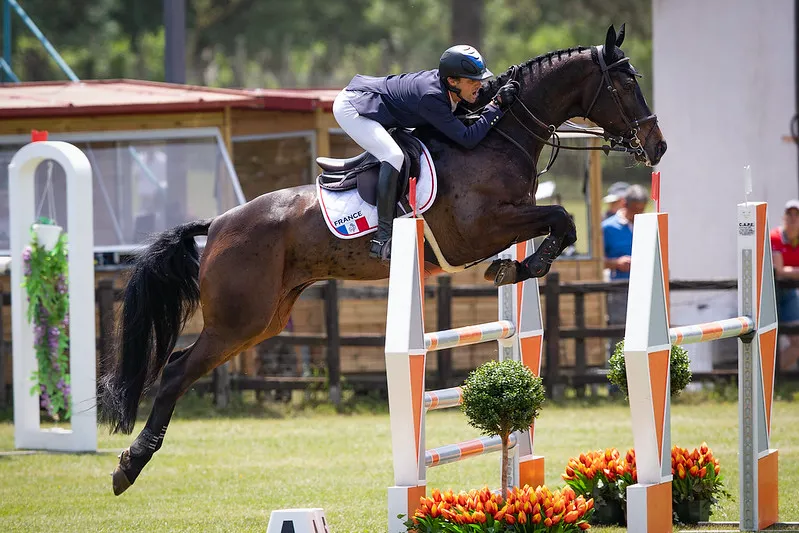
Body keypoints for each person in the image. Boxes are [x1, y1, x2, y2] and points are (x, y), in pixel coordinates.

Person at [332, 45, 518, 261]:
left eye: (480, 79)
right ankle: (382, 238)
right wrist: (496, 106)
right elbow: (468, 139)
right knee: (393, 156)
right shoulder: (431, 97)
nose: (479, 85)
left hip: (377, 104)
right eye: (472, 81)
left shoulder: (446, 90)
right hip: (353, 108)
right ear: (452, 82)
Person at [602, 184, 649, 357]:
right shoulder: (607, 228)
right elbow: (597, 262)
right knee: (618, 333)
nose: (638, 214)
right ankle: (614, 381)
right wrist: (616, 263)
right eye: (635, 210)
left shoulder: (647, 225)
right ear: (624, 204)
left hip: (643, 288)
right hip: (618, 288)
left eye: (641, 210)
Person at [771, 199, 799, 371]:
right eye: (790, 214)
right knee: (763, 339)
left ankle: (772, 377)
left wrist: (790, 270)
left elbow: (784, 270)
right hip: (770, 295)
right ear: (784, 217)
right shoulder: (775, 236)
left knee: (797, 342)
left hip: (789, 294)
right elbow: (779, 271)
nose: (793, 218)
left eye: (797, 215)